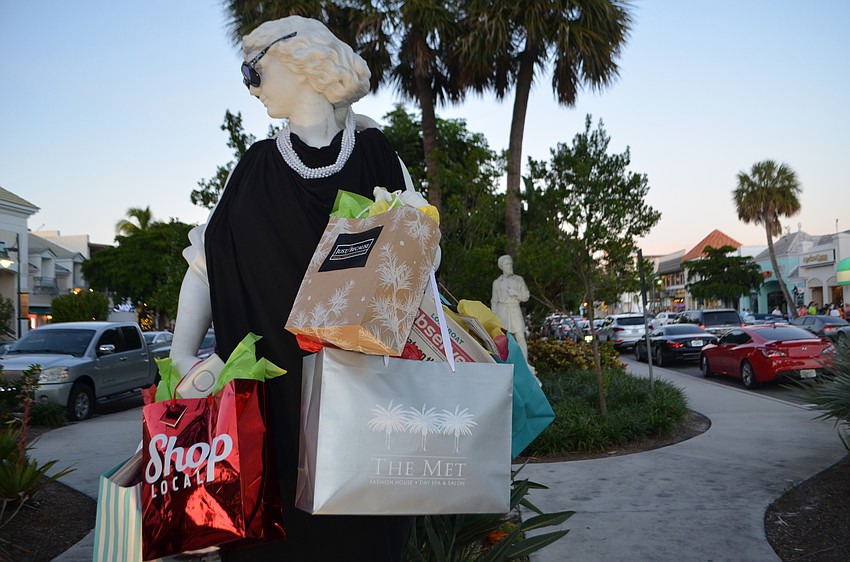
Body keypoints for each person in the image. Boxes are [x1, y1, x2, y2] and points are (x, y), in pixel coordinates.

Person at [169, 16, 417, 560]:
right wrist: (183, 355)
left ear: (300, 60)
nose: (251, 87)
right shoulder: (253, 167)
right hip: (265, 411)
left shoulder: (377, 155)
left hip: (364, 410)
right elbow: (205, 263)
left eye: (254, 71)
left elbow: (425, 256)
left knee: (363, 544)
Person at [491, 255, 531, 358]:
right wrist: (493, 317)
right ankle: (505, 361)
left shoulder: (519, 280)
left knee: (520, 336)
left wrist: (516, 293)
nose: (509, 266)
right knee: (503, 337)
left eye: (510, 264)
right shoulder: (497, 283)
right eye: (507, 264)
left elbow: (526, 296)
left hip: (514, 309)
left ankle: (525, 362)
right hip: (502, 311)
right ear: (502, 266)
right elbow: (494, 301)